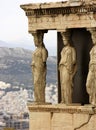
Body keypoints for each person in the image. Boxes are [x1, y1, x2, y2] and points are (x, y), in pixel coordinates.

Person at [59, 32, 77, 104]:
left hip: (67, 68)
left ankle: (68, 100)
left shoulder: (72, 49)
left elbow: (74, 60)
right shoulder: (63, 49)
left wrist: (68, 63)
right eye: (63, 40)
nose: (64, 41)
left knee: (67, 83)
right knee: (63, 83)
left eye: (65, 40)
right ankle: (63, 100)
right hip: (62, 67)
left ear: (68, 40)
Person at [31, 32, 48, 103]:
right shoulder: (36, 50)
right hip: (35, 69)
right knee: (35, 83)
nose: (35, 42)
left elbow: (44, 60)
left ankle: (41, 99)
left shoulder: (43, 50)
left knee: (38, 82)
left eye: (36, 40)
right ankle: (37, 99)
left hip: (40, 69)